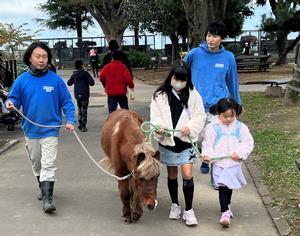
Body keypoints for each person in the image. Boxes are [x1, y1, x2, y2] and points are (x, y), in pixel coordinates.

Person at [5, 42, 75, 213]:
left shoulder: (55, 80)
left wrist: (71, 120)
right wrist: (10, 104)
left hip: (51, 129)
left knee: (48, 164)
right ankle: (42, 186)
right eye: (38, 56)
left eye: (44, 56)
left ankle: (47, 200)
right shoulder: (21, 80)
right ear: (30, 58)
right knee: (37, 163)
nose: (41, 60)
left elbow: (67, 102)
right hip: (30, 130)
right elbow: (14, 99)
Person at [183, 22, 241, 183]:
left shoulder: (228, 57)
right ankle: (202, 160)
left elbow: (232, 82)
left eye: (215, 36)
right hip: (196, 106)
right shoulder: (194, 54)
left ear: (222, 38)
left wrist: (237, 104)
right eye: (209, 35)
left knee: (217, 140)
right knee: (198, 138)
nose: (210, 39)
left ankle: (216, 177)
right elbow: (181, 72)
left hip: (218, 106)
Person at [150, 60, 206, 226]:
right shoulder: (159, 95)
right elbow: (156, 116)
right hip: (168, 141)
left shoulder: (194, 94)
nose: (179, 82)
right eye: (177, 78)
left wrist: (190, 127)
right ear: (171, 76)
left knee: (187, 174)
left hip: (185, 141)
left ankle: (189, 210)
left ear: (188, 79)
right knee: (172, 174)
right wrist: (159, 128)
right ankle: (175, 205)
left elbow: (200, 116)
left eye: (183, 79)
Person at [201, 98, 254, 226]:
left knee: (228, 186)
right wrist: (207, 155)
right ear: (218, 114)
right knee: (222, 186)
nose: (229, 119)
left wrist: (240, 153)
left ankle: (227, 205)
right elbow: (207, 144)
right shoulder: (212, 127)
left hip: (233, 163)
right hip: (218, 163)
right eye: (225, 116)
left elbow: (248, 143)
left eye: (232, 116)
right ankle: (224, 212)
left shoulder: (241, 127)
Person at [67, 60, 95, 132]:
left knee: (79, 109)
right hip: (85, 94)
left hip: (77, 94)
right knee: (84, 109)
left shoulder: (74, 74)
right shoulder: (86, 74)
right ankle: (83, 126)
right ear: (82, 65)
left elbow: (69, 83)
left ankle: (80, 123)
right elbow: (92, 83)